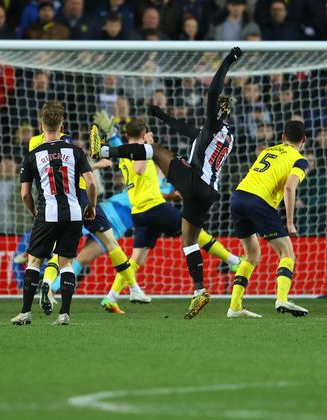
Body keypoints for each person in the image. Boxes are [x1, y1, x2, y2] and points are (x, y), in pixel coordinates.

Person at [91, 47, 241, 319]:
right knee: (189, 242)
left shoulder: (213, 125)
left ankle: (102, 152)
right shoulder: (223, 135)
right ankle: (199, 291)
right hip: (207, 192)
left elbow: (212, 92)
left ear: (219, 110)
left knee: (152, 150)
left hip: (193, 182)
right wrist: (162, 116)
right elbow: (185, 130)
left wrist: (227, 61)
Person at [103, 118, 241, 314]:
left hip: (140, 210)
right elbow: (139, 169)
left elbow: (143, 184)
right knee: (194, 232)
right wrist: (147, 144)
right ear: (143, 134)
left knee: (137, 258)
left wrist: (169, 195)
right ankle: (233, 261)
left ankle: (111, 296)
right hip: (154, 208)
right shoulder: (139, 151)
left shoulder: (125, 152)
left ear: (127, 135)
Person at [27, 126, 145, 316]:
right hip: (97, 208)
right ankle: (134, 289)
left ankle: (49, 286)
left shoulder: (37, 144)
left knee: (76, 256)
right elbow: (85, 174)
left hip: (65, 204)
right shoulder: (69, 146)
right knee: (111, 245)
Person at [12, 101, 96, 326]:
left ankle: (25, 313)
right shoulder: (76, 152)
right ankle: (64, 314)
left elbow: (25, 194)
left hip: (47, 213)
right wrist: (92, 206)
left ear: (41, 126)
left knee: (34, 260)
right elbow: (90, 183)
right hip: (74, 213)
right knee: (66, 262)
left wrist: (33, 214)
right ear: (62, 125)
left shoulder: (33, 155)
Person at [228, 120, 309, 318]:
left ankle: (235, 307)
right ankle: (282, 298)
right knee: (287, 252)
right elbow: (289, 187)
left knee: (252, 255)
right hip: (259, 202)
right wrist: (289, 222)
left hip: (238, 197)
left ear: (282, 137)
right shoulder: (300, 160)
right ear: (304, 140)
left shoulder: (267, 151)